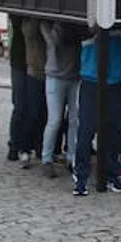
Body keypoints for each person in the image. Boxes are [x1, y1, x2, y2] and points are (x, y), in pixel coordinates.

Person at [73, 27, 121, 197]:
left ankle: (111, 174)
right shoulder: (88, 26)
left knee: (113, 131)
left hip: (113, 83)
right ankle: (81, 176)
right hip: (91, 82)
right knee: (86, 130)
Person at [40, 20, 83, 179]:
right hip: (55, 76)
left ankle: (71, 157)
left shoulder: (78, 28)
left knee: (75, 119)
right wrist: (59, 27)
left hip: (74, 76)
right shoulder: (49, 27)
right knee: (55, 120)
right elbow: (54, 43)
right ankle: (47, 159)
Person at [19, 17, 48, 168]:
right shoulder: (29, 23)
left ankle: (40, 147)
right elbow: (29, 33)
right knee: (32, 112)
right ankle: (25, 148)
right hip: (34, 71)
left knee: (44, 113)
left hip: (49, 72)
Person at [6, 15, 28, 162]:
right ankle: (14, 145)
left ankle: (27, 144)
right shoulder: (18, 16)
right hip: (20, 62)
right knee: (20, 107)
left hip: (32, 62)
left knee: (35, 107)